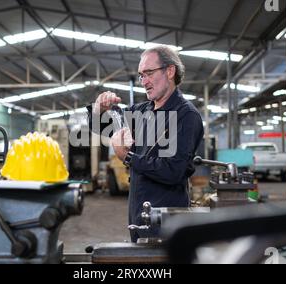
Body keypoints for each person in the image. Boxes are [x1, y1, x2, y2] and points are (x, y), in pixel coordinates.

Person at [87, 45, 203, 242]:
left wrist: (128, 157)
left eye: (149, 73)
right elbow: (101, 127)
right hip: (138, 215)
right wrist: (98, 109)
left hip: (166, 222)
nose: (144, 82)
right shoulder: (141, 111)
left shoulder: (186, 115)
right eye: (141, 76)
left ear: (170, 71)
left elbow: (174, 170)